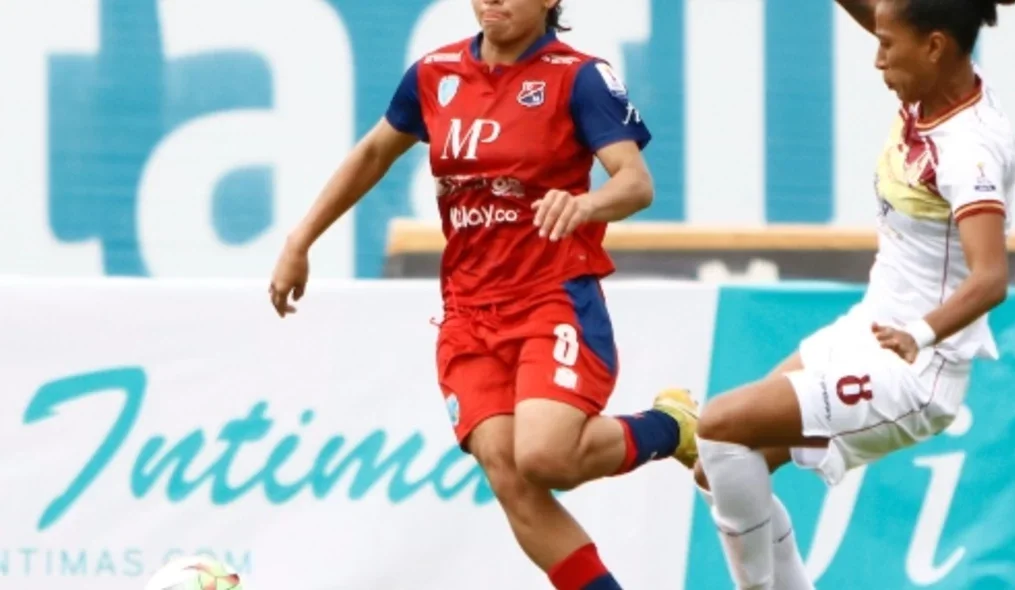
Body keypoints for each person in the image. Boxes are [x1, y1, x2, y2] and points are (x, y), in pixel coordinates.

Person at [266, 1, 699, 589]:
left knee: (546, 457)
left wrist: (585, 204)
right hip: (469, 313)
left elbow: (635, 183)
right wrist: (301, 238)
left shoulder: (580, 77)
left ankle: (672, 425)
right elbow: (372, 154)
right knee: (507, 470)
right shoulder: (433, 74)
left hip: (552, 297)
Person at [690, 0, 1015, 587]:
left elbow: (990, 278)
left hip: (917, 370)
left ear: (935, 46)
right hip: (870, 330)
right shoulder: (928, 88)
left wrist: (919, 333)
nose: (876, 57)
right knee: (721, 470)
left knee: (718, 426)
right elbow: (892, 21)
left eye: (887, 45)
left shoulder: (968, 149)